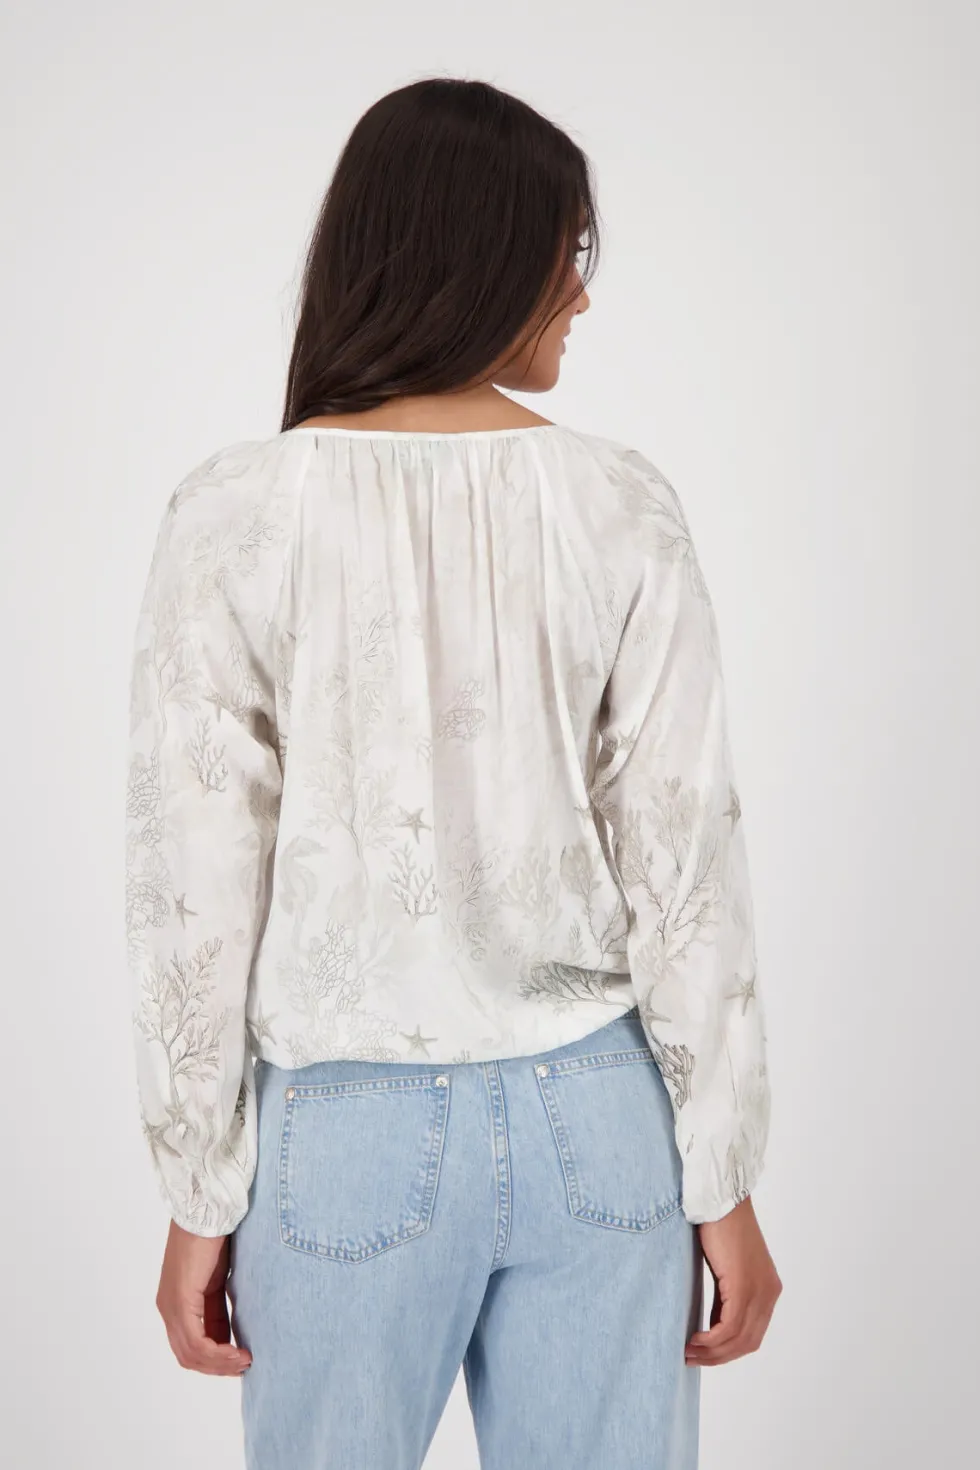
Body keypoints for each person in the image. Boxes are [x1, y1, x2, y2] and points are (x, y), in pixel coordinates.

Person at [125, 75, 781, 1470]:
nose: (582, 294)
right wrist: (720, 1174)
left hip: (344, 1142)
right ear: (475, 251)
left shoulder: (234, 512)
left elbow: (194, 883)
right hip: (604, 1123)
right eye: (567, 251)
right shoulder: (619, 503)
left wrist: (199, 1184)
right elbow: (684, 858)